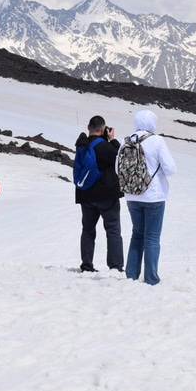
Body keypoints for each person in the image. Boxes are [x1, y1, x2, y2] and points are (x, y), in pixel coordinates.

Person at [120, 110, 177, 285]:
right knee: (152, 237)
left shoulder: (127, 141)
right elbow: (170, 169)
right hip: (154, 196)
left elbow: (118, 168)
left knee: (137, 234)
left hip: (132, 195)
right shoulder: (157, 141)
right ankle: (151, 278)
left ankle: (131, 275)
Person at [74, 116, 124, 273]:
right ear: (102, 129)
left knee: (88, 230)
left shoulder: (82, 146)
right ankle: (115, 267)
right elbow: (119, 158)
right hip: (106, 195)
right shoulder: (104, 147)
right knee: (113, 230)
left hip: (85, 195)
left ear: (88, 127)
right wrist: (113, 140)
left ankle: (86, 265)